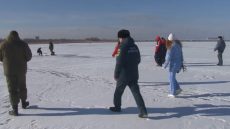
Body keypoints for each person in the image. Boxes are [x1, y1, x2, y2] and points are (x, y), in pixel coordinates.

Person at [109, 29, 148, 118]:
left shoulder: (122, 47)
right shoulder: (135, 46)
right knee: (136, 92)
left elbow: (119, 62)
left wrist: (116, 74)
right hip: (134, 73)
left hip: (123, 74)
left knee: (118, 92)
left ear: (121, 37)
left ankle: (117, 107)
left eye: (119, 38)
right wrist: (132, 66)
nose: (119, 40)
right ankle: (143, 111)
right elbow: (138, 60)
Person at [0, 31, 32, 116]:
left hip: (9, 71)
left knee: (12, 89)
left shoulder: (3, 44)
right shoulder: (23, 44)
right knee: (22, 86)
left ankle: (15, 109)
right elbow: (29, 57)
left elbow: (0, 57)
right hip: (21, 70)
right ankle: (24, 103)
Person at [162, 33, 183, 98]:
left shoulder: (170, 46)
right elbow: (181, 56)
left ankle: (173, 92)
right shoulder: (178, 45)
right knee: (172, 77)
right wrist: (181, 64)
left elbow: (168, 57)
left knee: (171, 78)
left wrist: (164, 65)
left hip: (173, 65)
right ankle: (178, 89)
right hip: (178, 64)